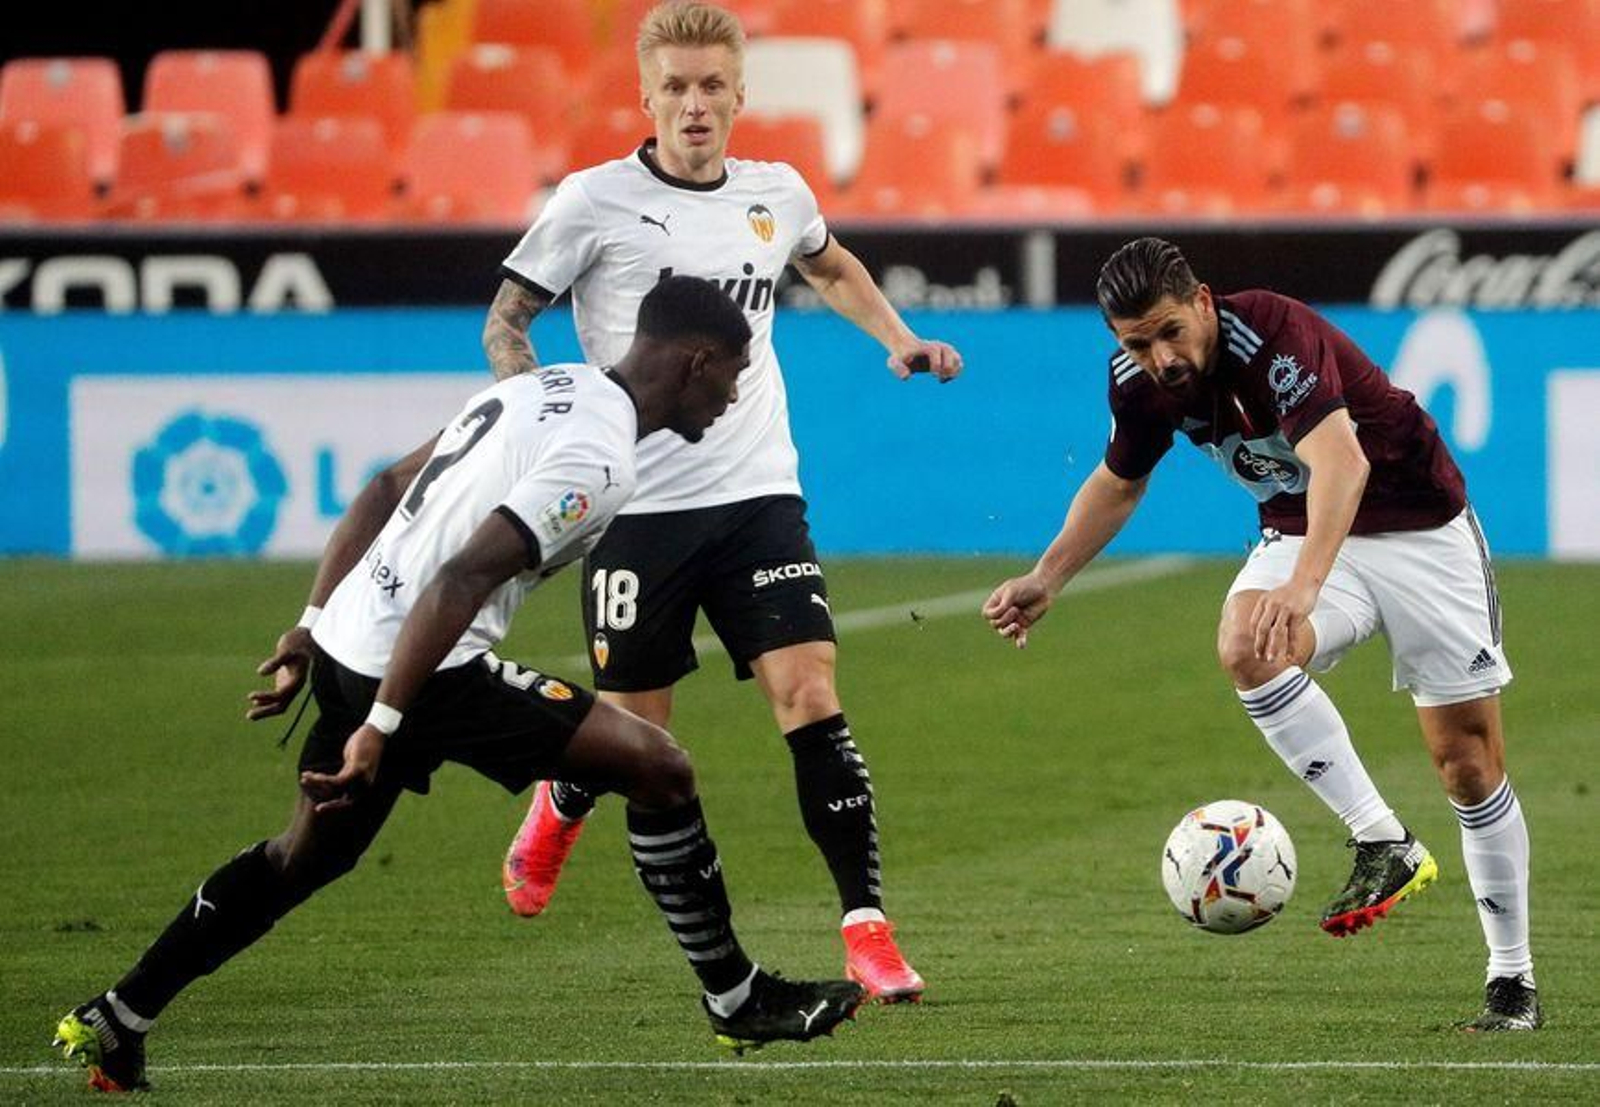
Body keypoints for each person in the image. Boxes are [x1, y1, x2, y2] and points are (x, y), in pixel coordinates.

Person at [51, 277, 866, 1094]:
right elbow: (458, 580)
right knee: (660, 768)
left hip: (351, 641)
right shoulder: (601, 456)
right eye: (734, 370)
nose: (735, 392)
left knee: (303, 856)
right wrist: (383, 721)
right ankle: (736, 997)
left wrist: (310, 623)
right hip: (421, 668)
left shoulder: (545, 387)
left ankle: (116, 1017)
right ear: (696, 361)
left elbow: (381, 487)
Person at [485, 1, 960, 1003]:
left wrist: (896, 337)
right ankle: (562, 802)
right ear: (645, 96)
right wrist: (531, 407)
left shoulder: (775, 193)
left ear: (740, 95)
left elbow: (829, 264)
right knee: (637, 739)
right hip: (636, 512)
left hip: (757, 498)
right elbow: (510, 316)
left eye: (712, 87)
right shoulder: (591, 201)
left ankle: (866, 928)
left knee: (811, 693)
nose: (695, 106)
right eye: (676, 88)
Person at [983, 238, 1540, 1033]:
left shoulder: (1275, 334)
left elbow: (1342, 464)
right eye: (1136, 342)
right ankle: (1383, 839)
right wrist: (1048, 576)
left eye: (1170, 331)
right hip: (1300, 530)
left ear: (1204, 302)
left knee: (1468, 763)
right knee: (1246, 642)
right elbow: (1120, 478)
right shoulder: (1137, 382)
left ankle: (1511, 976)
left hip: (1418, 526)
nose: (1160, 357)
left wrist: (1303, 586)